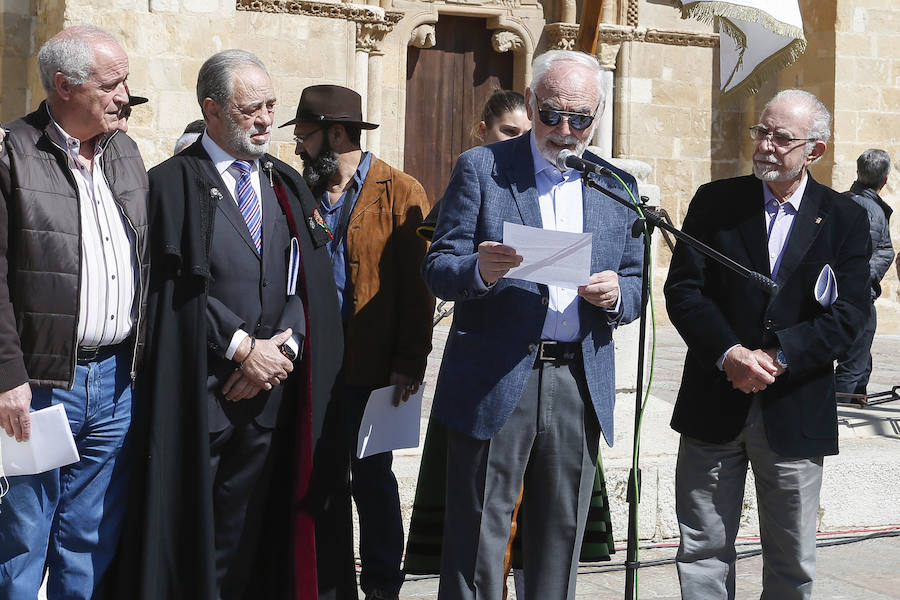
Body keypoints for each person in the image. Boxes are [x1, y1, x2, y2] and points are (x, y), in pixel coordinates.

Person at [115, 50, 343, 600]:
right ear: (212, 109)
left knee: (255, 540)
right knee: (199, 540)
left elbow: (303, 284)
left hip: (270, 398)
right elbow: (170, 288)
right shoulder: (169, 184)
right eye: (251, 108)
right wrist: (243, 349)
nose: (266, 119)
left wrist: (279, 355)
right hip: (202, 396)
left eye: (271, 105)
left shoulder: (286, 184)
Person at [423, 49, 643, 599]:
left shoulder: (616, 186)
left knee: (559, 532)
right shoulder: (483, 168)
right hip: (498, 373)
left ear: (598, 115)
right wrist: (480, 268)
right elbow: (439, 267)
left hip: (576, 379)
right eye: (551, 114)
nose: (565, 131)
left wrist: (618, 294)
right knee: (480, 532)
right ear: (529, 102)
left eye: (581, 118)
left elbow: (637, 283)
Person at [664, 89, 871, 599]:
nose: (767, 146)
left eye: (783, 137)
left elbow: (850, 315)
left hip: (794, 406)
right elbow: (685, 291)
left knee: (791, 560)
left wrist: (779, 357)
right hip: (715, 401)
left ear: (814, 151)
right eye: (762, 132)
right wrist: (731, 354)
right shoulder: (715, 202)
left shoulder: (845, 218)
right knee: (701, 551)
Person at [0, 25, 149, 599]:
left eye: (126, 82)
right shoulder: (13, 153)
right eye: (112, 84)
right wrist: (8, 376)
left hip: (114, 381)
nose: (124, 95)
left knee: (89, 535)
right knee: (23, 533)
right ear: (63, 86)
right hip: (38, 384)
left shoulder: (125, 151)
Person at [287, 84, 434, 600]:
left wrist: (409, 361)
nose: (299, 147)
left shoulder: (400, 190)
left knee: (373, 482)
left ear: (337, 133)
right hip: (310, 368)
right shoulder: (299, 188)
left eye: (305, 135)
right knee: (320, 484)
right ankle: (331, 587)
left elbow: (419, 289)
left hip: (375, 368)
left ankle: (381, 587)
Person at [416, 90, 530, 242]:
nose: (519, 141)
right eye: (509, 131)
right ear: (483, 130)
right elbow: (443, 259)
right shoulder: (468, 182)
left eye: (527, 135)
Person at [835, 149, 893, 399]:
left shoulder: (840, 200)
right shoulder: (871, 210)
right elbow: (861, 257)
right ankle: (839, 414)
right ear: (885, 180)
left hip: (844, 292)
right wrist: (863, 282)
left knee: (860, 355)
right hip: (856, 296)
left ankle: (857, 400)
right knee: (853, 363)